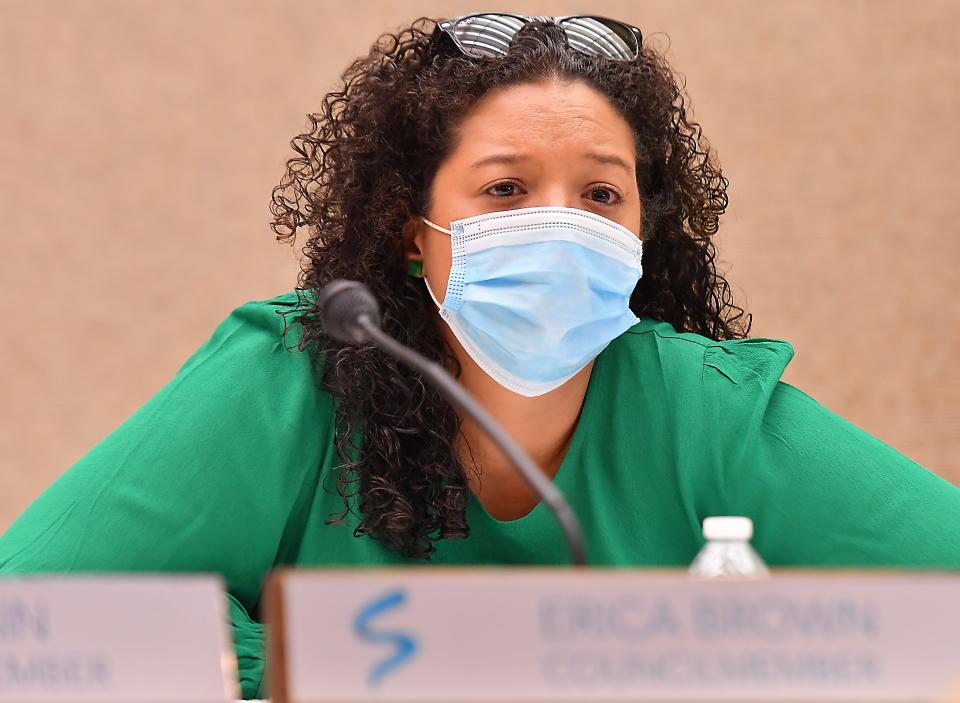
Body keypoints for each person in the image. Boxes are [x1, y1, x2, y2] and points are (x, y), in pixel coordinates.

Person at [2, 14, 958, 699]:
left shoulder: (698, 406)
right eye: (505, 190)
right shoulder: (294, 374)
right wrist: (302, 667)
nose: (559, 225)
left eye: (600, 195)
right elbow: (23, 613)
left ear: (644, 231)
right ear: (408, 229)